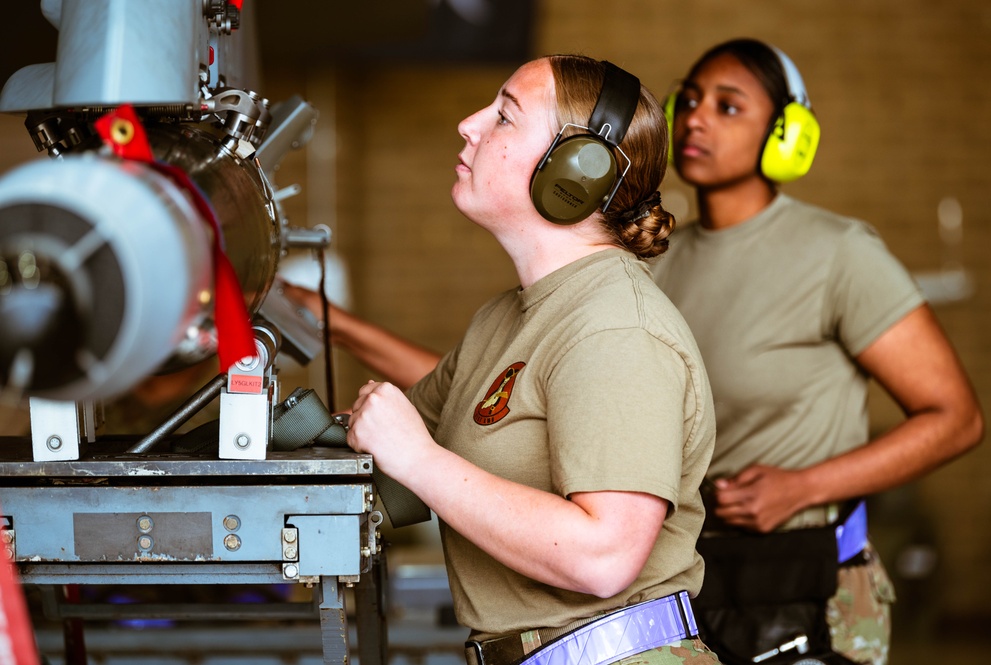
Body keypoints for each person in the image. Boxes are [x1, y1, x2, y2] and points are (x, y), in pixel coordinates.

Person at [289, 55, 722, 665]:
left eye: (504, 117)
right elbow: (381, 451)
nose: (469, 124)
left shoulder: (615, 327)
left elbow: (603, 556)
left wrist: (417, 458)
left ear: (575, 170)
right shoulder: (504, 319)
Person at [652, 38, 984, 665]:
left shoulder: (840, 254)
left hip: (811, 586)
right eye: (688, 100)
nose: (694, 117)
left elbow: (956, 419)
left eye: (728, 106)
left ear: (787, 135)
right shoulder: (650, 268)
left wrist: (803, 487)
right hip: (687, 584)